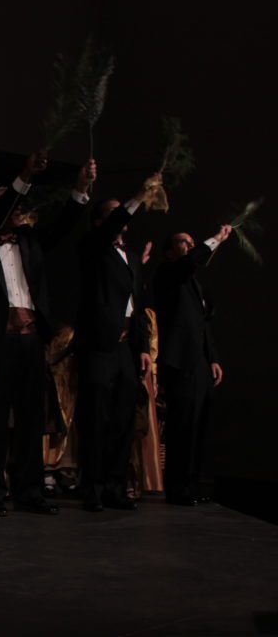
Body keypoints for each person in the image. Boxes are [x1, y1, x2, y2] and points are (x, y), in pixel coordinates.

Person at [0, 153, 94, 517]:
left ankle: (30, 490)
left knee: (31, 418)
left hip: (30, 339)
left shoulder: (29, 241)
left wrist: (80, 189)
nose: (21, 211)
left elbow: (63, 225)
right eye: (14, 206)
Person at [74, 177, 156, 512]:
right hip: (99, 345)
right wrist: (138, 196)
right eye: (113, 213)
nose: (121, 218)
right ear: (99, 222)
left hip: (125, 347)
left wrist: (143, 348)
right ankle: (92, 488)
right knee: (97, 418)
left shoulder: (132, 258)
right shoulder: (93, 248)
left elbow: (138, 305)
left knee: (123, 419)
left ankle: (114, 486)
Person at [153, 224, 231, 505]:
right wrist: (216, 239)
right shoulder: (169, 274)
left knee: (199, 425)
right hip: (180, 361)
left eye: (191, 241)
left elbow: (203, 324)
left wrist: (213, 358)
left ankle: (193, 485)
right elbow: (189, 262)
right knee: (182, 426)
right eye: (182, 242)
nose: (189, 245)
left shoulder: (195, 285)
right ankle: (177, 488)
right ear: (169, 252)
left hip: (199, 362)